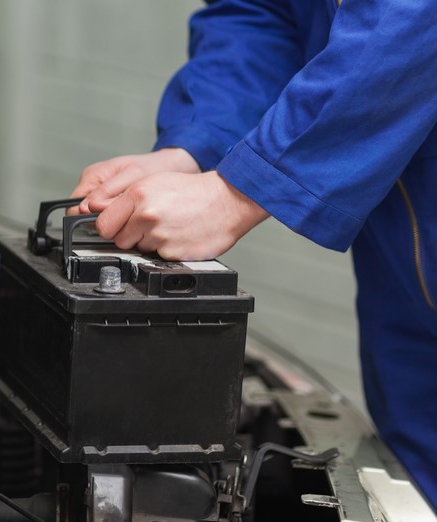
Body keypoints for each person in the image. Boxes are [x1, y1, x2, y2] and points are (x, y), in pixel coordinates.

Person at [69, 0, 437, 506]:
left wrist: (234, 193)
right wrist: (195, 148)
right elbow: (260, 11)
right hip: (410, 252)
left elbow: (413, 19)